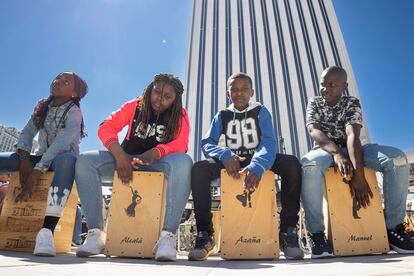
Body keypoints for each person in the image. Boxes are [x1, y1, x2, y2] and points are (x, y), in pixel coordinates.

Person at [75, 73, 192, 261]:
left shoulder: (180, 114)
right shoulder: (136, 105)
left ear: (175, 100)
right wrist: (120, 156)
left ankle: (167, 237)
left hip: (156, 164)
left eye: (167, 96)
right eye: (157, 92)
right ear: (150, 89)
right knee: (85, 161)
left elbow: (181, 143)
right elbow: (106, 126)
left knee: (185, 162)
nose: (160, 99)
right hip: (125, 162)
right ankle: (96, 234)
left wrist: (156, 152)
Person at [301, 65, 414, 258]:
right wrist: (337, 154)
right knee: (308, 165)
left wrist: (359, 175)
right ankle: (317, 235)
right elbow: (315, 132)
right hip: (325, 150)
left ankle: (393, 228)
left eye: (332, 85)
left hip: (354, 148)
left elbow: (352, 134)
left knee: (397, 159)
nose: (325, 88)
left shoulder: (351, 102)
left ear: (344, 86)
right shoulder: (315, 102)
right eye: (322, 84)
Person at [188, 72, 304, 260]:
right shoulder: (222, 115)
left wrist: (258, 164)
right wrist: (225, 155)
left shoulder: (261, 111)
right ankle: (205, 234)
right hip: (233, 159)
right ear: (228, 94)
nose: (239, 93)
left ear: (252, 92)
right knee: (199, 169)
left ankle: (287, 232)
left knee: (291, 164)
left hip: (258, 158)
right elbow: (207, 142)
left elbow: (268, 142)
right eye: (234, 89)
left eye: (244, 89)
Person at [0, 72, 88, 256]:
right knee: (5, 158)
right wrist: (24, 160)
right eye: (57, 78)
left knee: (67, 160)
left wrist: (35, 172)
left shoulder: (74, 112)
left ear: (74, 93)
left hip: (61, 159)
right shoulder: (43, 107)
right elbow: (26, 134)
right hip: (38, 156)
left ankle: (47, 231)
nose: (58, 82)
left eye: (66, 81)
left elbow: (61, 145)